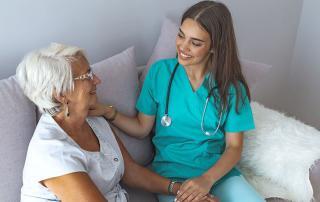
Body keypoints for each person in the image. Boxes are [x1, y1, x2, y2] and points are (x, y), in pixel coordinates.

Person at [96, 1, 265, 202]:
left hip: (218, 174)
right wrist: (108, 112)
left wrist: (207, 179)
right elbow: (142, 128)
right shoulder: (161, 73)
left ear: (215, 46)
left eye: (195, 42)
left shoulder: (232, 88)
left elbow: (234, 147)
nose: (182, 47)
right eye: (181, 35)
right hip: (172, 176)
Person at [16, 43, 212, 202]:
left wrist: (182, 191)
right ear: (60, 94)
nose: (97, 80)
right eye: (87, 76)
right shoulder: (52, 152)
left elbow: (131, 171)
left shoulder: (93, 120)